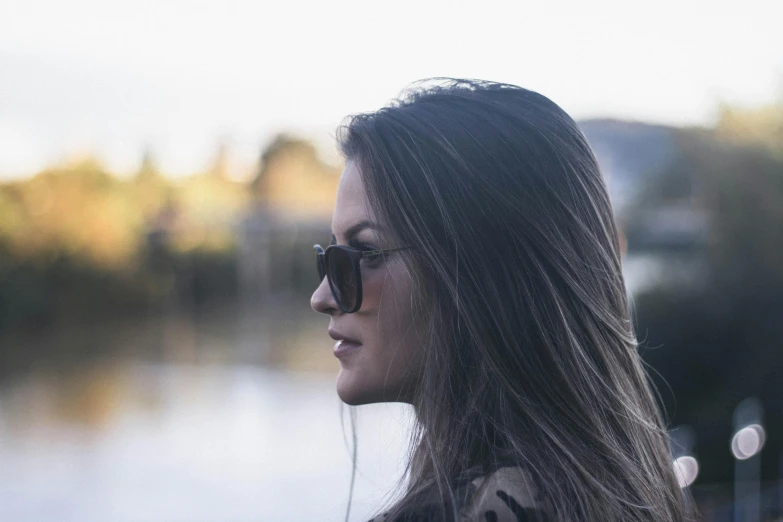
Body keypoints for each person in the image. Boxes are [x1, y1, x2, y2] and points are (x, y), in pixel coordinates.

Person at [311, 79, 691, 522]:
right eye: (330, 259)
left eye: (367, 253)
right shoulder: (636, 486)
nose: (324, 297)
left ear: (480, 275)